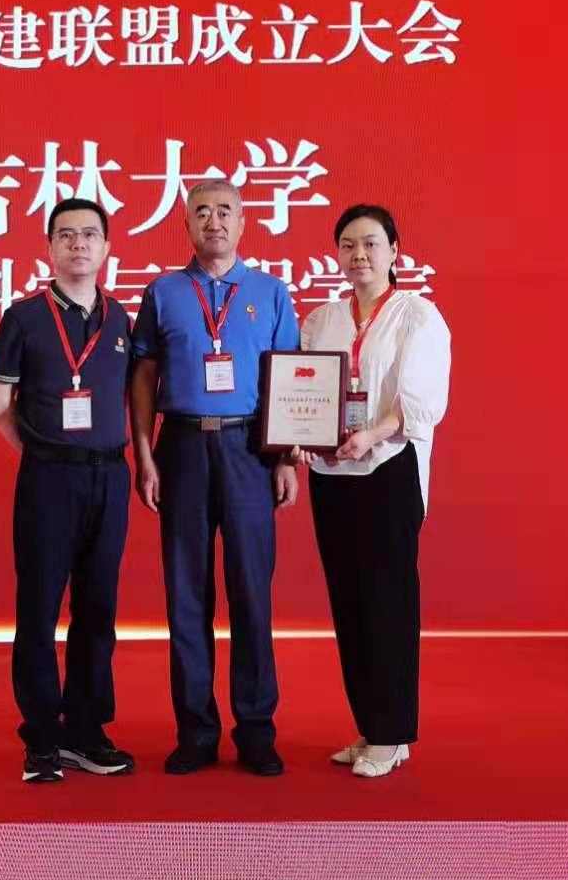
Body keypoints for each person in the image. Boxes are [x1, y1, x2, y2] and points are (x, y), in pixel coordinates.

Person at [130, 179, 300, 776]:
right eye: (201, 212)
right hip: (181, 446)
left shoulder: (270, 292)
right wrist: (144, 455)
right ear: (186, 224)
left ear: (244, 221)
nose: (214, 221)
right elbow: (143, 375)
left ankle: (256, 730)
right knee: (186, 593)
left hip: (249, 448)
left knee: (252, 591)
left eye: (225, 210)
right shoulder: (163, 291)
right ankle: (196, 731)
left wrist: (286, 458)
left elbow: (289, 377)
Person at [0, 197, 137, 783]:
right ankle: (42, 739)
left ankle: (86, 731)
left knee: (98, 609)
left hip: (110, 475)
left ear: (106, 248)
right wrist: (39, 450)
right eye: (66, 235)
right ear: (49, 247)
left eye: (90, 235)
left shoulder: (121, 320)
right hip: (49, 477)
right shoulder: (23, 317)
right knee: (40, 608)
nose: (79, 244)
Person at [298, 203, 451, 778]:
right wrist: (302, 439)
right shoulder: (322, 319)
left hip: (388, 467)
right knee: (349, 601)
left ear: (394, 252)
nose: (358, 255)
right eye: (347, 245)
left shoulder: (417, 315)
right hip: (332, 474)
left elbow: (419, 403)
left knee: (389, 601)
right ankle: (370, 726)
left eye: (370, 244)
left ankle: (392, 734)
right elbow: (303, 393)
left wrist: (370, 435)